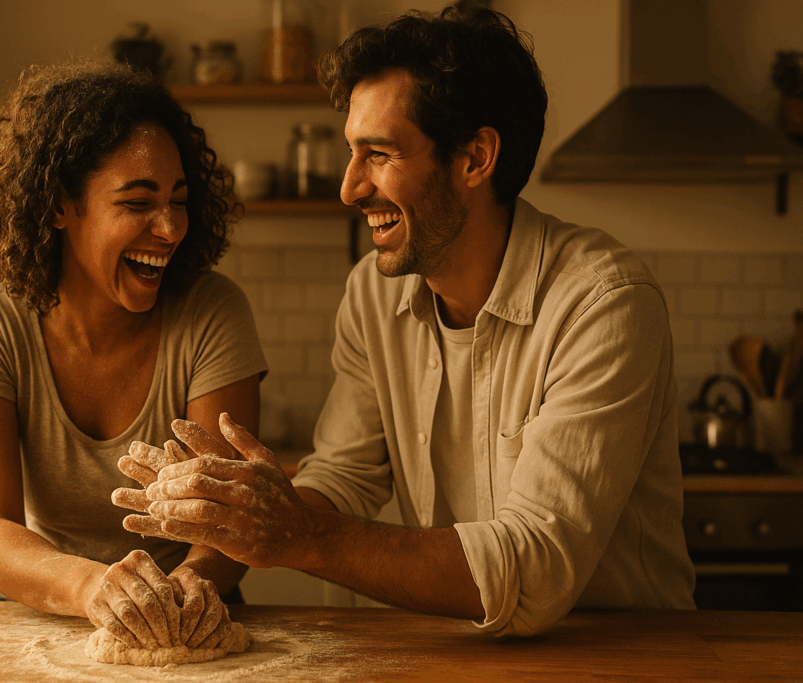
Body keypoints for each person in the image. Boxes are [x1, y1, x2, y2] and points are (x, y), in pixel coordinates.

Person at [114, 6, 696, 637]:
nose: (349, 188)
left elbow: (535, 570)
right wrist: (238, 516)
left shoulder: (603, 303)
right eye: (350, 153)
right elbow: (344, 474)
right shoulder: (373, 293)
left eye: (379, 154)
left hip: (624, 658)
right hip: (456, 653)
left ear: (475, 157)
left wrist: (300, 534)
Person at [0, 60, 267, 650]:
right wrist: (94, 588)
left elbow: (224, 523)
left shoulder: (213, 312)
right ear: (61, 205)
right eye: (138, 203)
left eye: (178, 199)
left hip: (190, 602)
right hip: (35, 602)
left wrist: (177, 600)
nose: (169, 228)